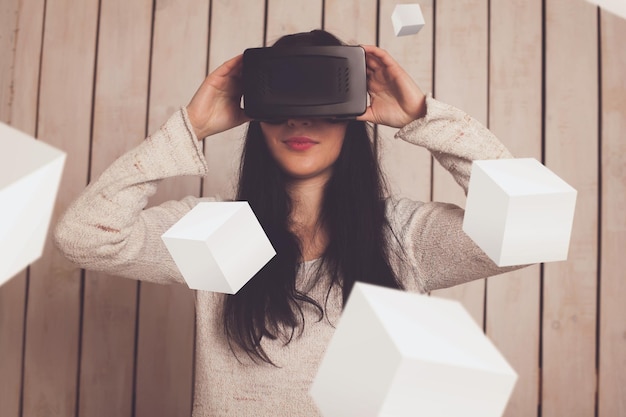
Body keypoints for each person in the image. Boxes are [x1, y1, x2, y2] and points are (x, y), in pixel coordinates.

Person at [54, 30, 519, 417]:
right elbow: (84, 237)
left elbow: (524, 230)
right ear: (256, 116)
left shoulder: (404, 236)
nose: (299, 119)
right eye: (280, 103)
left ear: (355, 112)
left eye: (321, 101)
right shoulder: (222, 233)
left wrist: (423, 116)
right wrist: (188, 127)